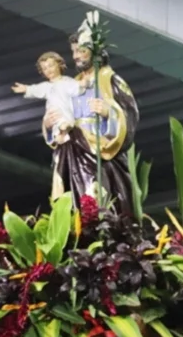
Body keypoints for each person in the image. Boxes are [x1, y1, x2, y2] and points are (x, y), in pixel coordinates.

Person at [39, 16, 140, 217]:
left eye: (81, 51)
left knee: (97, 199)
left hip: (100, 152)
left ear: (95, 51)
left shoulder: (111, 81)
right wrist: (49, 125)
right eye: (74, 51)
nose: (76, 56)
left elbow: (130, 115)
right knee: (73, 203)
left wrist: (107, 112)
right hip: (73, 151)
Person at [11, 51, 82, 144]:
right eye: (45, 68)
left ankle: (66, 130)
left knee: (66, 118)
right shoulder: (46, 86)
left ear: (59, 64)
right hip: (53, 111)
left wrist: (84, 84)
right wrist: (26, 89)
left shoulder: (67, 81)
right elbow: (35, 89)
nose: (48, 70)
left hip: (66, 108)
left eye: (51, 66)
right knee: (54, 121)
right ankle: (59, 134)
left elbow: (77, 88)